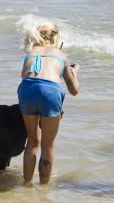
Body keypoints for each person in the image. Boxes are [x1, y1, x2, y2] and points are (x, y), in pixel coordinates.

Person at [16, 23, 80, 185]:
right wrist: (74, 73)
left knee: (32, 141)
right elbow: (74, 90)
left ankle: (27, 184)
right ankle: (43, 188)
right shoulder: (60, 54)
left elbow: (24, 75)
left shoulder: (30, 53)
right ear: (57, 38)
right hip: (50, 91)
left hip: (27, 89)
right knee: (47, 144)